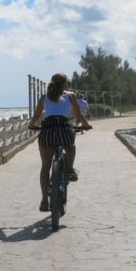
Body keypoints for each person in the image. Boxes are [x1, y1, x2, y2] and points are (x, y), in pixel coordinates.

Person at [30, 73, 92, 212]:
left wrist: (31, 125)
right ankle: (69, 169)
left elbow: (37, 115)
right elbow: (78, 115)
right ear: (66, 84)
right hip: (63, 130)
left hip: (48, 132)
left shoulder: (44, 97)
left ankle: (44, 200)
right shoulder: (71, 96)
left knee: (45, 166)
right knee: (70, 147)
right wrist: (86, 125)